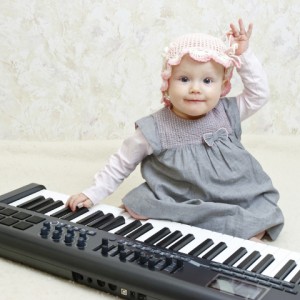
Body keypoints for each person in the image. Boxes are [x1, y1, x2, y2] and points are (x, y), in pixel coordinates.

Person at [67, 19, 284, 242]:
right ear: (167, 84)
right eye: (184, 79)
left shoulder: (228, 112)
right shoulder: (154, 128)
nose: (195, 88)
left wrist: (244, 55)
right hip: (181, 195)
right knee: (144, 204)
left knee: (258, 209)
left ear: (223, 86)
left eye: (208, 80)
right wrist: (93, 193)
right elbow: (121, 163)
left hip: (232, 192)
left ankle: (241, 224)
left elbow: (259, 95)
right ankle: (192, 221)